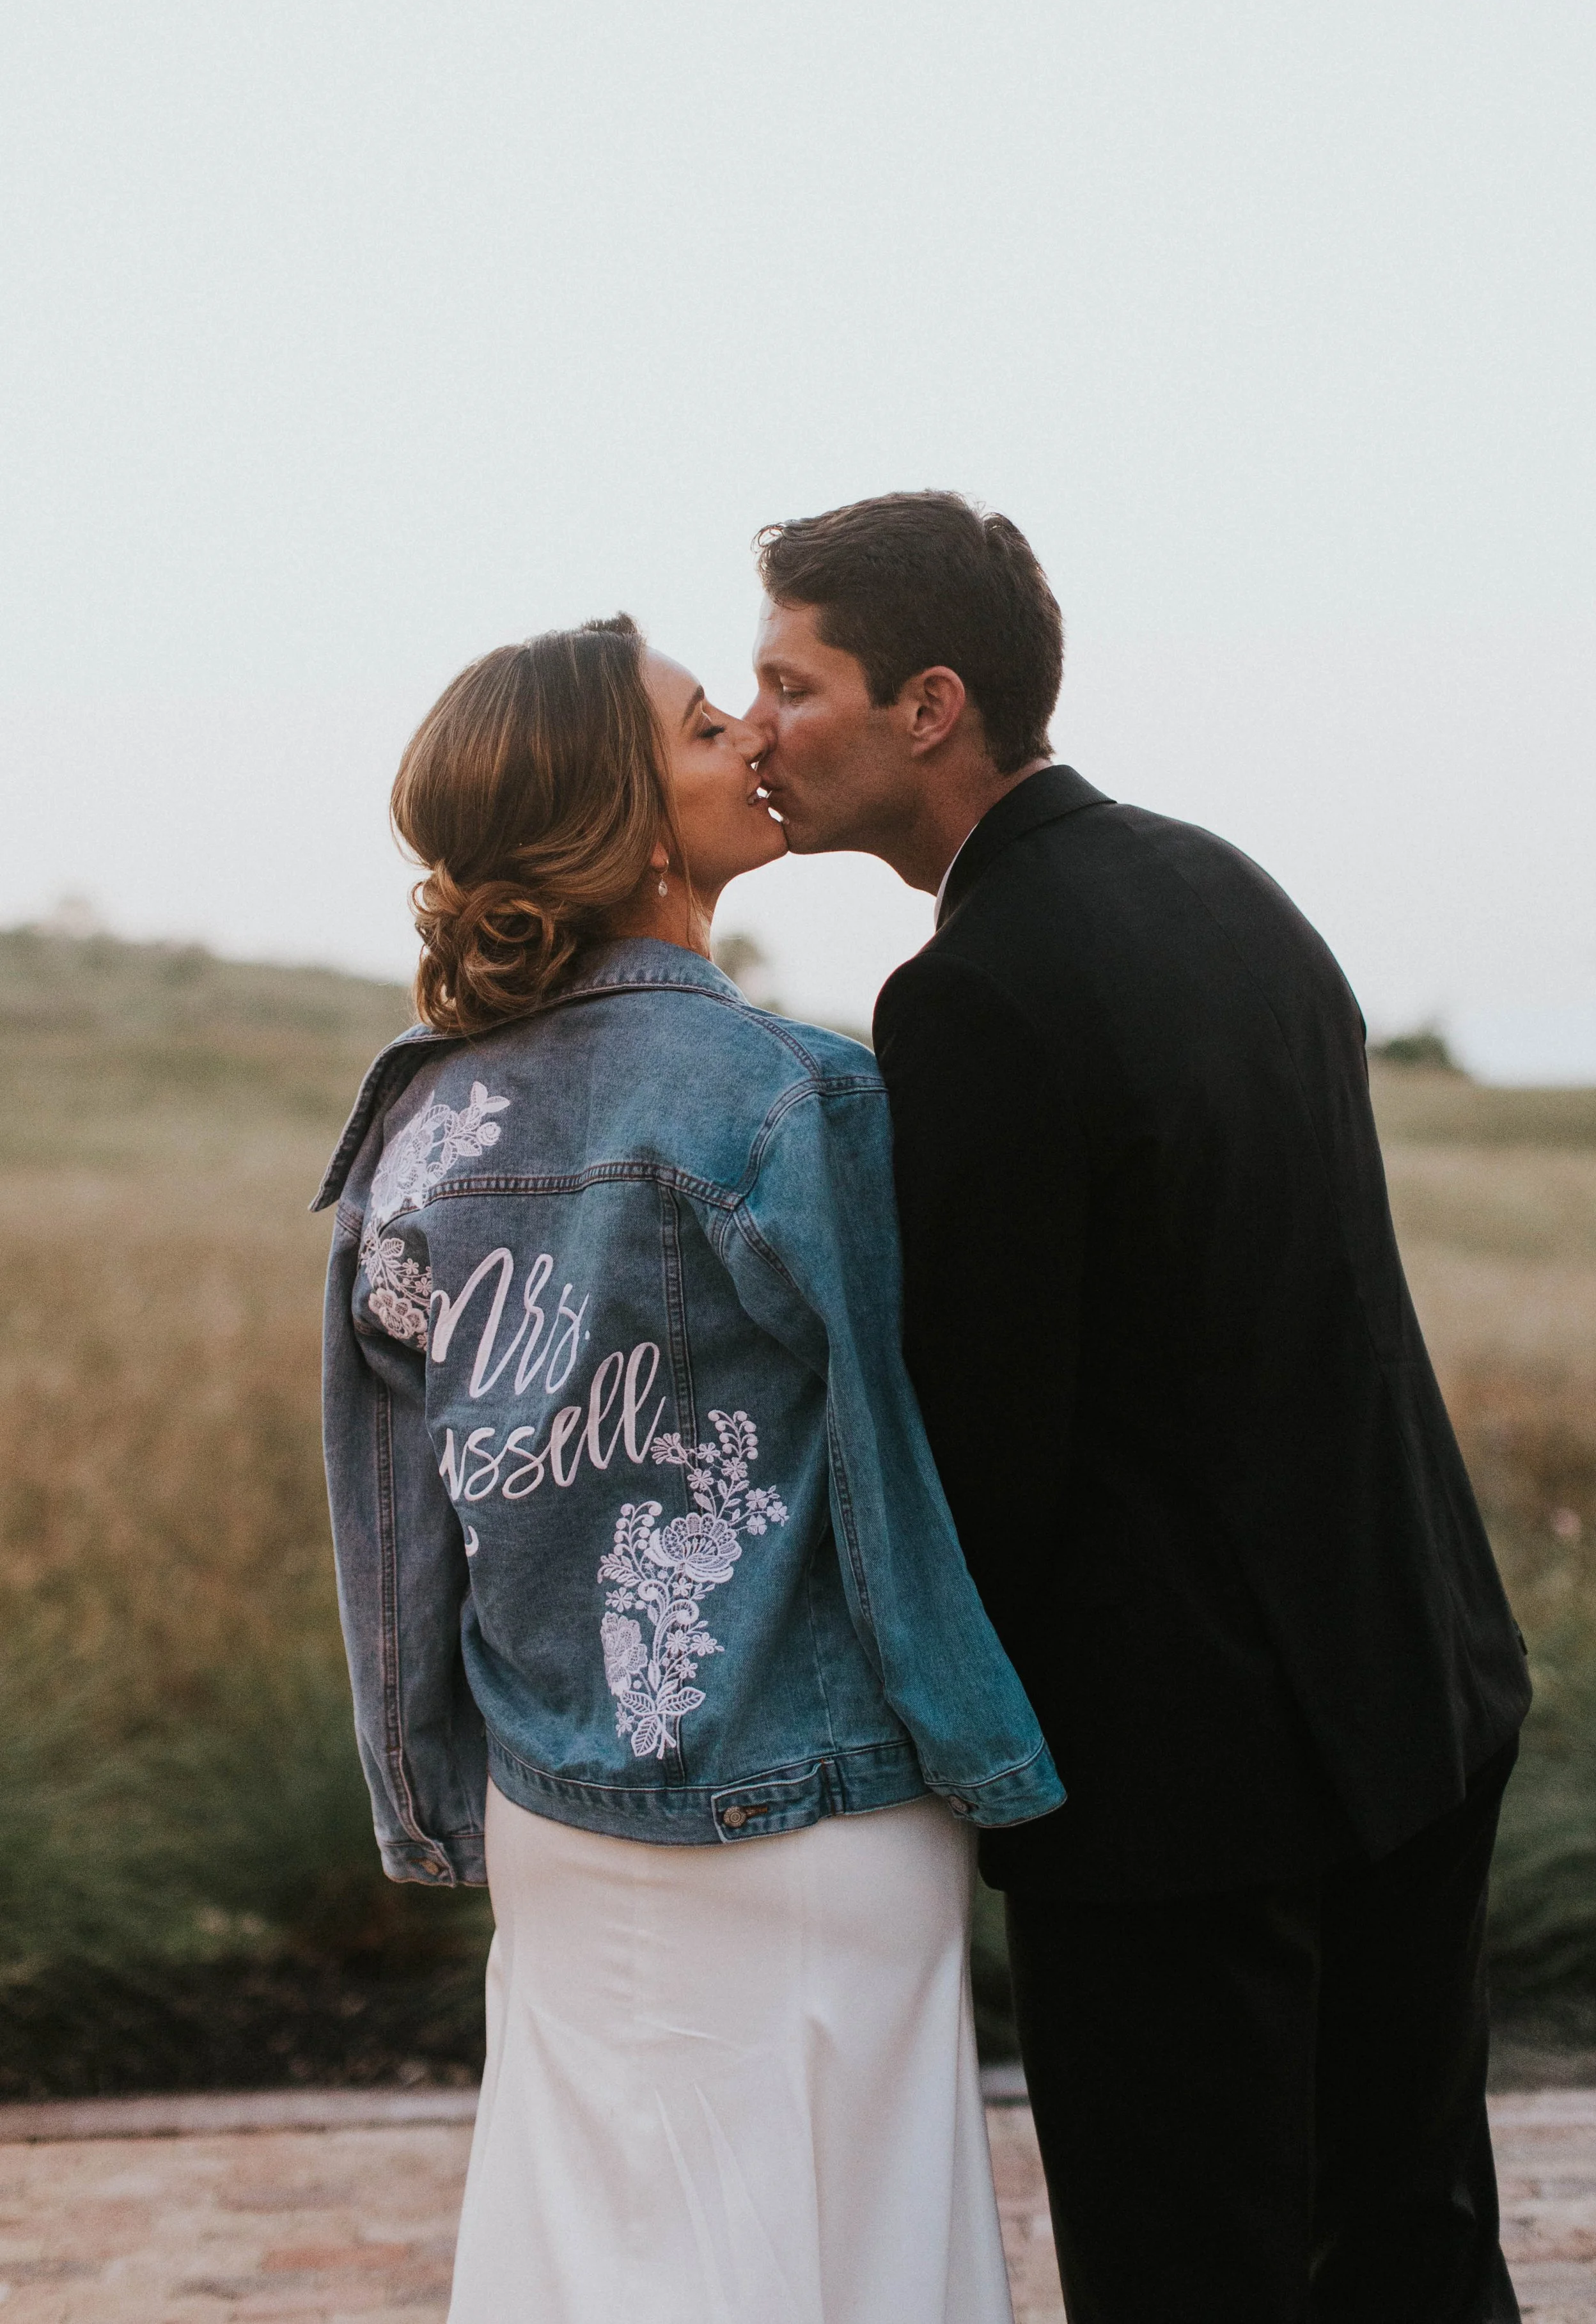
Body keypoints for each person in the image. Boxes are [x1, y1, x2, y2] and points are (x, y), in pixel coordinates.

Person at [744, 492, 1533, 2324]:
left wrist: (937, 1761)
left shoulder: (972, 994)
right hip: (1415, 1682)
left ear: (927, 703)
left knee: (1191, 2273)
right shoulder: (1222, 882)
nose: (760, 726)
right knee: (1417, 2251)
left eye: (792, 683)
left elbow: (982, 1453)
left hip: (1186, 1790)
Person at [315, 613, 1063, 2324]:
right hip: (813, 1804)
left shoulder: (414, 1127)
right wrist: (992, 1759)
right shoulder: (792, 1096)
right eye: (708, 723)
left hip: (555, 1811)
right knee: (847, 2253)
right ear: (633, 827)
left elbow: (392, 1523)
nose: (756, 741)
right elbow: (889, 1471)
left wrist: (426, 1798)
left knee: (589, 2255)